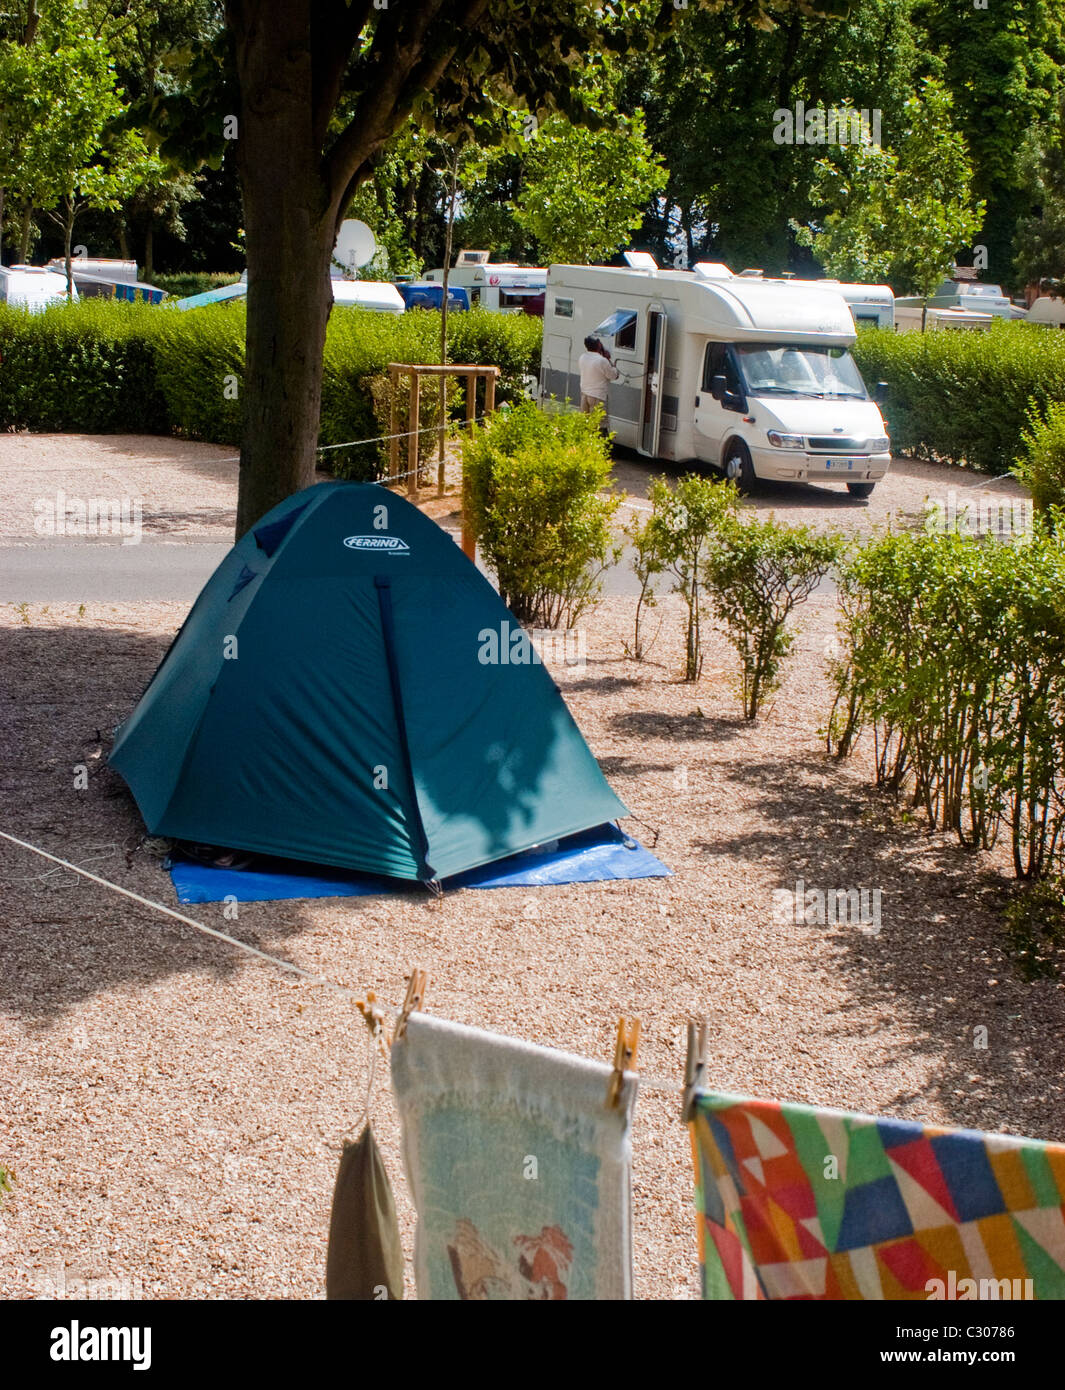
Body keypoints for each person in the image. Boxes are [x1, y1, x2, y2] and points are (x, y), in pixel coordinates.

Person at [578, 335, 618, 414]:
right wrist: (609, 360)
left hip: (584, 393)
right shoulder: (602, 360)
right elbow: (613, 376)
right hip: (597, 395)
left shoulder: (582, 357)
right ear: (599, 345)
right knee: (597, 423)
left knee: (584, 421)